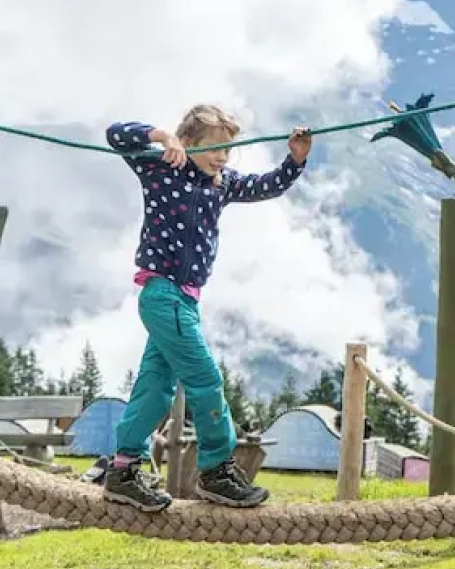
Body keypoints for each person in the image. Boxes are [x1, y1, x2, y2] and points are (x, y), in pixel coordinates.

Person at [100, 105, 312, 511]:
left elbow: (266, 186)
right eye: (214, 148)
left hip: (186, 302)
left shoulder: (222, 183)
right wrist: (162, 137)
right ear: (189, 142)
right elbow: (115, 134)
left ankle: (123, 470)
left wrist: (295, 160)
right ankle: (216, 471)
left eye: (228, 150)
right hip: (162, 294)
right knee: (206, 379)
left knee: (157, 389)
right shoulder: (160, 168)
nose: (222, 158)